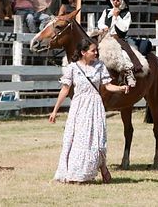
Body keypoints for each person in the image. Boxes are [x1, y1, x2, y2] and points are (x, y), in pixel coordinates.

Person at [50, 38, 129, 184]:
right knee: (77, 140)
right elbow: (65, 89)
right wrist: (55, 110)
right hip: (79, 106)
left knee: (95, 141)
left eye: (96, 50)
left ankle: (101, 167)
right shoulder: (72, 68)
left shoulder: (100, 66)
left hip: (95, 106)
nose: (96, 53)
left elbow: (107, 85)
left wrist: (120, 88)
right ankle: (75, 173)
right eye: (93, 50)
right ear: (83, 52)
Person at [97, 0, 142, 87]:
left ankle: (128, 73)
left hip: (118, 38)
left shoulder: (126, 14)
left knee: (124, 53)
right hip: (105, 37)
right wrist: (103, 27)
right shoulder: (107, 11)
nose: (116, 2)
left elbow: (124, 28)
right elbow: (100, 22)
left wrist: (117, 17)